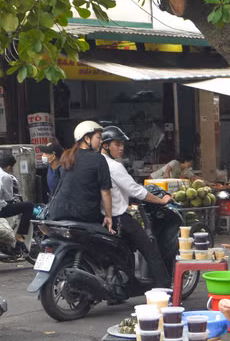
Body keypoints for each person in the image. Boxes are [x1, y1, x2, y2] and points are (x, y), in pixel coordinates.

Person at [99, 126, 173, 288]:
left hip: (101, 218)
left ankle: (118, 293)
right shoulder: (114, 166)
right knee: (151, 250)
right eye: (117, 144)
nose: (121, 148)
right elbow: (137, 191)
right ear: (105, 145)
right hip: (119, 219)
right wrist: (161, 201)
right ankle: (166, 289)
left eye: (122, 145)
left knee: (119, 253)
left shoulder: (95, 163)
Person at [47, 121, 114, 233]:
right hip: (83, 216)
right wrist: (109, 216)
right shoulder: (99, 159)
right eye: (99, 138)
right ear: (87, 139)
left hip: (57, 213)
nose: (101, 141)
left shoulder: (67, 156)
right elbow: (106, 192)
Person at [0, 154, 35, 245]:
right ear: (9, 167)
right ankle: (19, 234)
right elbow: (9, 197)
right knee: (29, 205)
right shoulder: (6, 176)